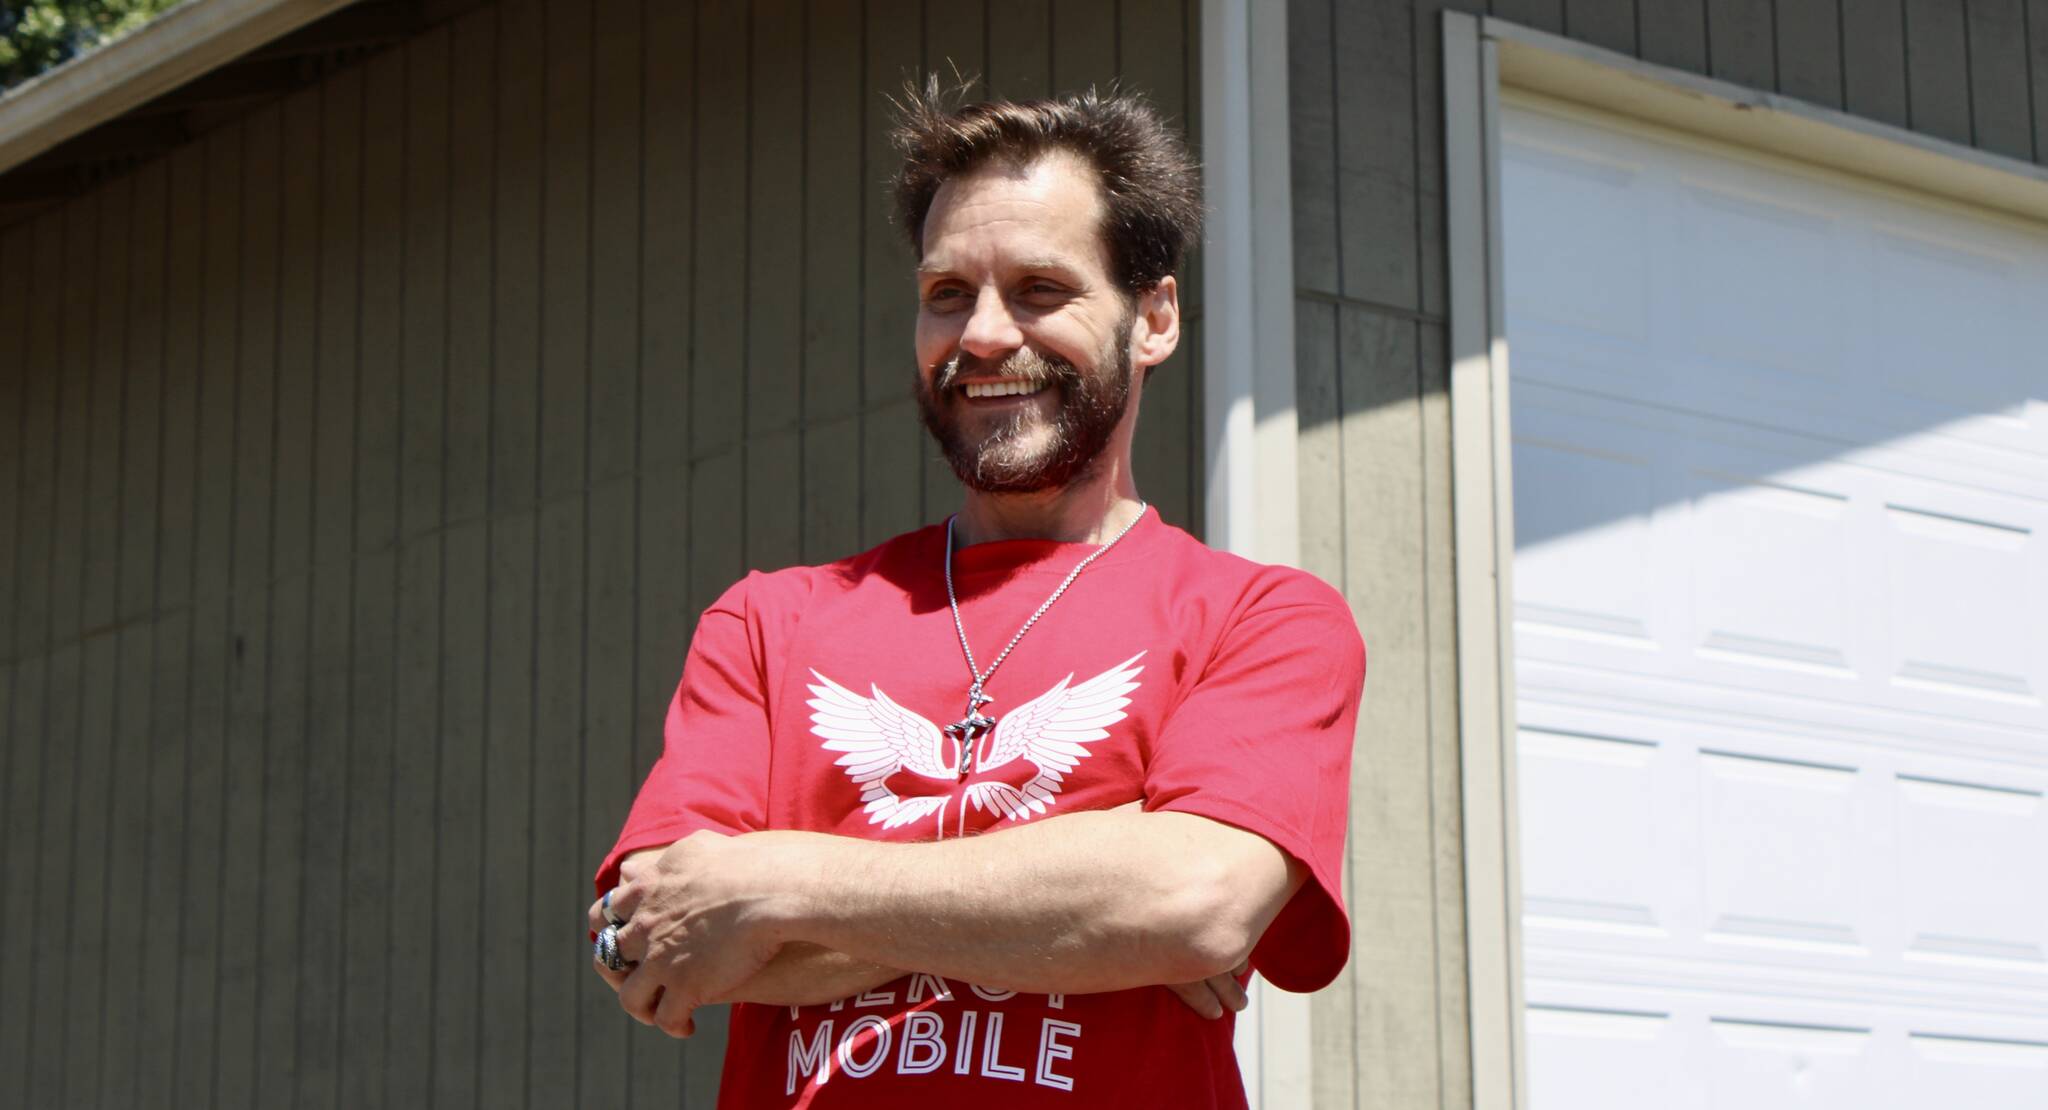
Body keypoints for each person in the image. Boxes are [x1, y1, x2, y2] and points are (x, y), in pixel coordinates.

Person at [588, 79, 1367, 1108]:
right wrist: (1090, 898)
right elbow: (644, 945)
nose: (985, 334)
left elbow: (1193, 901)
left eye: (1040, 290)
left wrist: (770, 886)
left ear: (1154, 317)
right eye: (947, 293)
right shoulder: (769, 622)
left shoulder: (1260, 619)